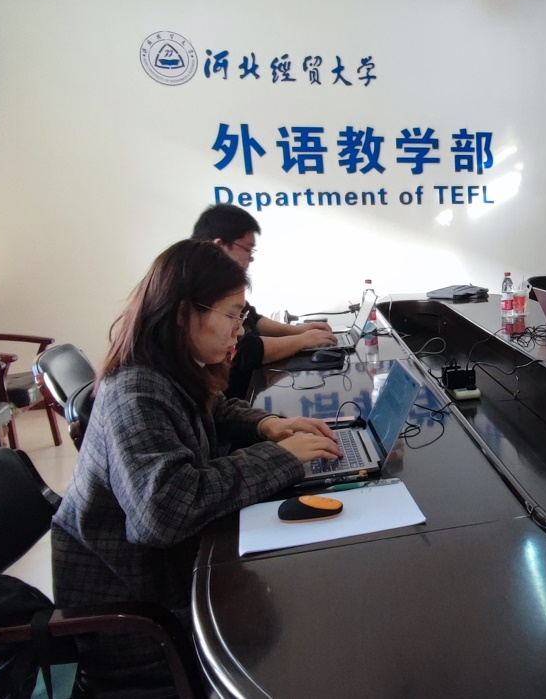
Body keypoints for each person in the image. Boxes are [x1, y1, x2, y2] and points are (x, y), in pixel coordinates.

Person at [51, 239, 343, 692]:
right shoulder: (135, 391)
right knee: (310, 625)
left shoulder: (165, 367)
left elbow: (210, 406)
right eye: (233, 315)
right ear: (185, 312)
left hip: (165, 575)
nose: (240, 331)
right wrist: (281, 456)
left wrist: (267, 424)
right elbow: (164, 512)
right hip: (137, 618)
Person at [191, 203, 340, 398]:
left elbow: (252, 318)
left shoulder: (221, 284)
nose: (251, 259)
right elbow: (245, 349)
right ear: (219, 246)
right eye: (248, 249)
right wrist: (302, 340)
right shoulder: (198, 284)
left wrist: (299, 331)